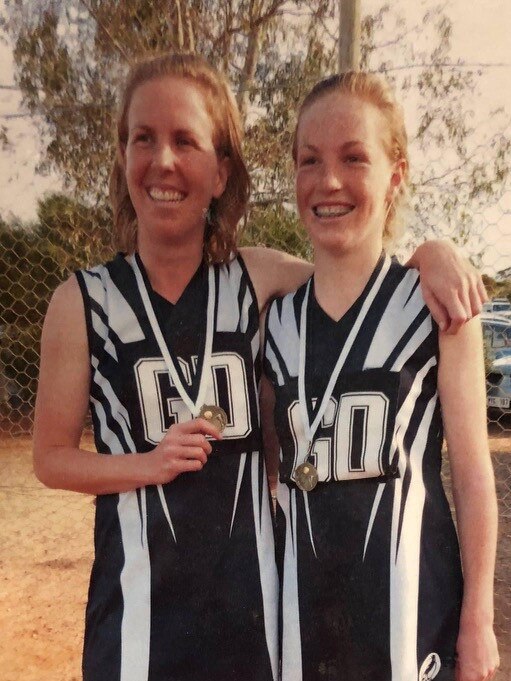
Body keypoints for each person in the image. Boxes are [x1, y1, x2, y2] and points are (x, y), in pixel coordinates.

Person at [32, 53, 488, 681]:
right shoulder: (81, 303)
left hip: (259, 623)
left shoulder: (255, 280)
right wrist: (146, 465)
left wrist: (431, 255)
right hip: (137, 621)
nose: (163, 160)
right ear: (122, 156)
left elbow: (355, 281)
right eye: (144, 139)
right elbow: (49, 457)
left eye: (185, 141)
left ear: (220, 172)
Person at [263, 72, 499, 681]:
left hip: (413, 627)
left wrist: (478, 620)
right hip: (303, 630)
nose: (329, 181)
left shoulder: (437, 309)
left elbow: (473, 473)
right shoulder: (274, 321)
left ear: (396, 174)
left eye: (354, 158)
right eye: (309, 160)